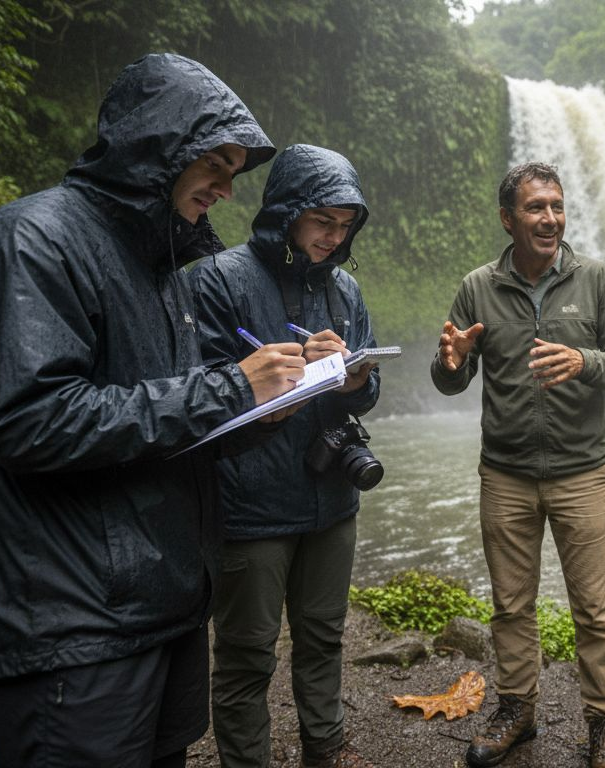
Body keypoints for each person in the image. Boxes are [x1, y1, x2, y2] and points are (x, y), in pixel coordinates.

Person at [0, 54, 309, 767]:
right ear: (158, 146)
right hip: (70, 620)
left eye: (237, 173)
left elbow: (151, 420)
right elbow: (32, 421)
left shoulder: (156, 268)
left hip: (152, 604)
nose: (228, 190)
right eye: (217, 164)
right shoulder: (29, 243)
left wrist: (250, 415)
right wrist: (231, 389)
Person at [431, 162, 605, 768]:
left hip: (582, 472)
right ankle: (517, 710)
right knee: (511, 605)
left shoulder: (597, 281)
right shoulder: (478, 288)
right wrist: (450, 363)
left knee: (597, 608)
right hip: (505, 475)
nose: (549, 217)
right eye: (535, 208)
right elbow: (450, 379)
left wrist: (584, 361)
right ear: (508, 218)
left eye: (556, 205)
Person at [190, 144, 380, 768]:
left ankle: (325, 749)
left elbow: (368, 387)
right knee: (247, 652)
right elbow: (199, 392)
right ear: (287, 212)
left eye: (345, 224)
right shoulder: (219, 279)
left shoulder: (344, 290)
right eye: (323, 220)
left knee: (324, 638)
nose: (334, 236)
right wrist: (268, 375)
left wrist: (354, 379)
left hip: (333, 496)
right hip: (252, 500)